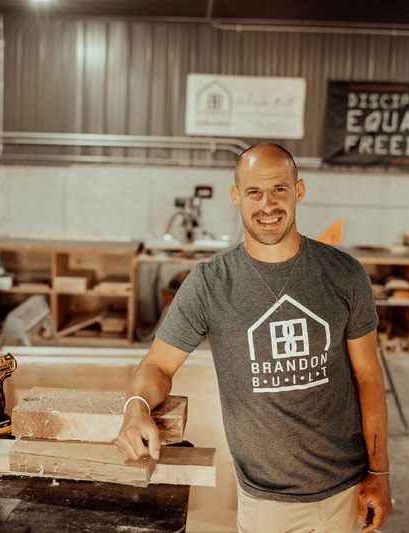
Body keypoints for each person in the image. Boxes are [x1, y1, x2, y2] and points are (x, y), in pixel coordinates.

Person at [115, 143, 391, 533]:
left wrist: (380, 471)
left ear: (299, 190)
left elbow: (368, 376)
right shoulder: (210, 283)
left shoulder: (344, 274)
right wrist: (137, 407)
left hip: (347, 493)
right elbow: (157, 364)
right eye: (254, 192)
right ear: (235, 196)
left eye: (279, 189)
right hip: (267, 503)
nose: (268, 204)